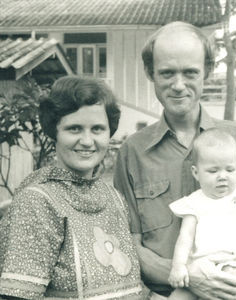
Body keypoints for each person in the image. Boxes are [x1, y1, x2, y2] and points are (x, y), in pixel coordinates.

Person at [113, 21, 236, 299]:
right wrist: (185, 275)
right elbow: (129, 245)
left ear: (207, 71)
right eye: (167, 73)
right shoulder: (132, 152)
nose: (178, 85)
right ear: (150, 73)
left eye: (190, 73)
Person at [0, 76, 149, 299]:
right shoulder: (37, 201)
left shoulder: (114, 197)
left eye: (97, 129)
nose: (87, 141)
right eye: (74, 129)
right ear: (54, 132)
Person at [167, 128, 236, 300]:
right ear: (196, 173)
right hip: (204, 272)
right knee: (177, 297)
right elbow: (185, 238)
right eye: (213, 171)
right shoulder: (193, 203)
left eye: (230, 170)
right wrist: (178, 266)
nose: (222, 176)